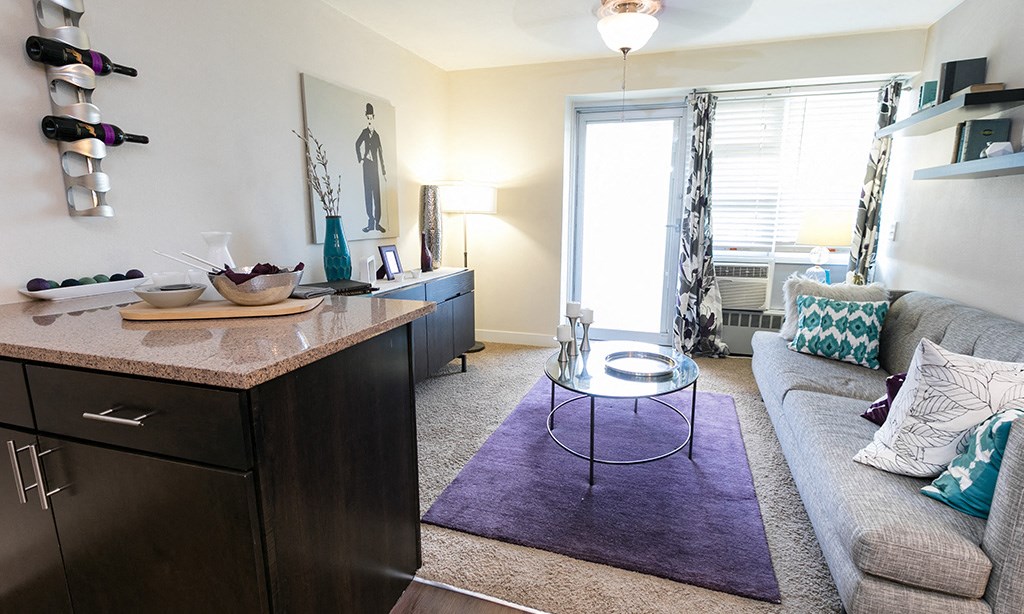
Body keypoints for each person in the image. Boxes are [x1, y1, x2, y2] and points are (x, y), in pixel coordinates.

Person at [355, 103, 386, 233]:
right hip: (366, 166)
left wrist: (383, 171)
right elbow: (357, 144)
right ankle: (370, 223)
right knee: (368, 194)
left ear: (373, 117)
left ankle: (377, 223)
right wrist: (361, 158)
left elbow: (380, 153)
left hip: (375, 167)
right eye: (367, 117)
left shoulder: (377, 135)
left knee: (377, 195)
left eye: (371, 117)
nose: (369, 119)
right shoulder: (364, 132)